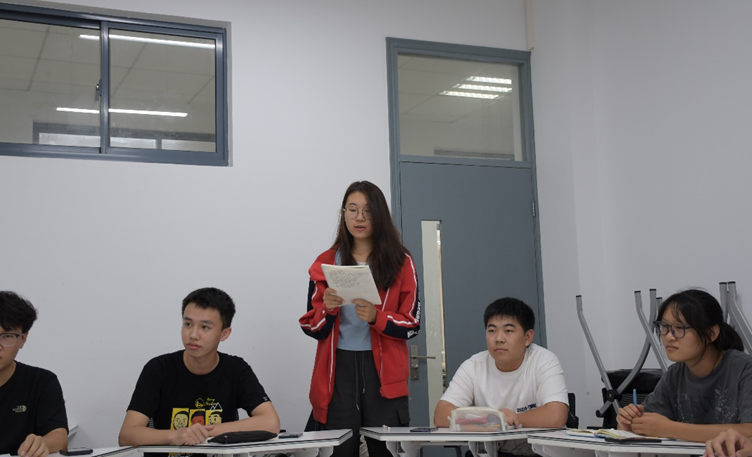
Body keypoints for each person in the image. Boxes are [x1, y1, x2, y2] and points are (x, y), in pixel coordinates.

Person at [299, 180, 420, 457]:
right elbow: (311, 326)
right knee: (339, 451)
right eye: (352, 210)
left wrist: (378, 317)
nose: (360, 218)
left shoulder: (401, 261)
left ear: (380, 214)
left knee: (385, 451)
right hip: (337, 371)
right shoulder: (326, 261)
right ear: (343, 214)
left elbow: (412, 323)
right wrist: (327, 309)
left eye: (367, 210)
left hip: (384, 373)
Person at [118, 287, 280, 446]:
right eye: (188, 324)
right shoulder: (158, 368)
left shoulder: (236, 369)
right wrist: (175, 435)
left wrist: (203, 432)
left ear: (224, 333)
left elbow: (271, 422)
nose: (193, 335)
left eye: (205, 327)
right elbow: (127, 435)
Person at [617, 288, 752, 442]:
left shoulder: (746, 370)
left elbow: (750, 432)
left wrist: (670, 429)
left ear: (711, 334)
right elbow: (650, 426)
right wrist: (629, 426)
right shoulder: (674, 375)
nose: (669, 336)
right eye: (664, 327)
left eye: (679, 328)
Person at [434, 297, 568, 442]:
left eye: (508, 331)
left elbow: (556, 415)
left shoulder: (544, 361)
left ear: (527, 337)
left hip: (539, 450)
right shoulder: (473, 365)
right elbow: (441, 415)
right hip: (490, 449)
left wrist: (514, 419)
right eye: (492, 330)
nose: (499, 338)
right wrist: (491, 419)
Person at [0, 291, 68, 457]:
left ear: (23, 339)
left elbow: (59, 436)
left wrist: (42, 443)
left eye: (7, 336)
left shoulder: (42, 382)